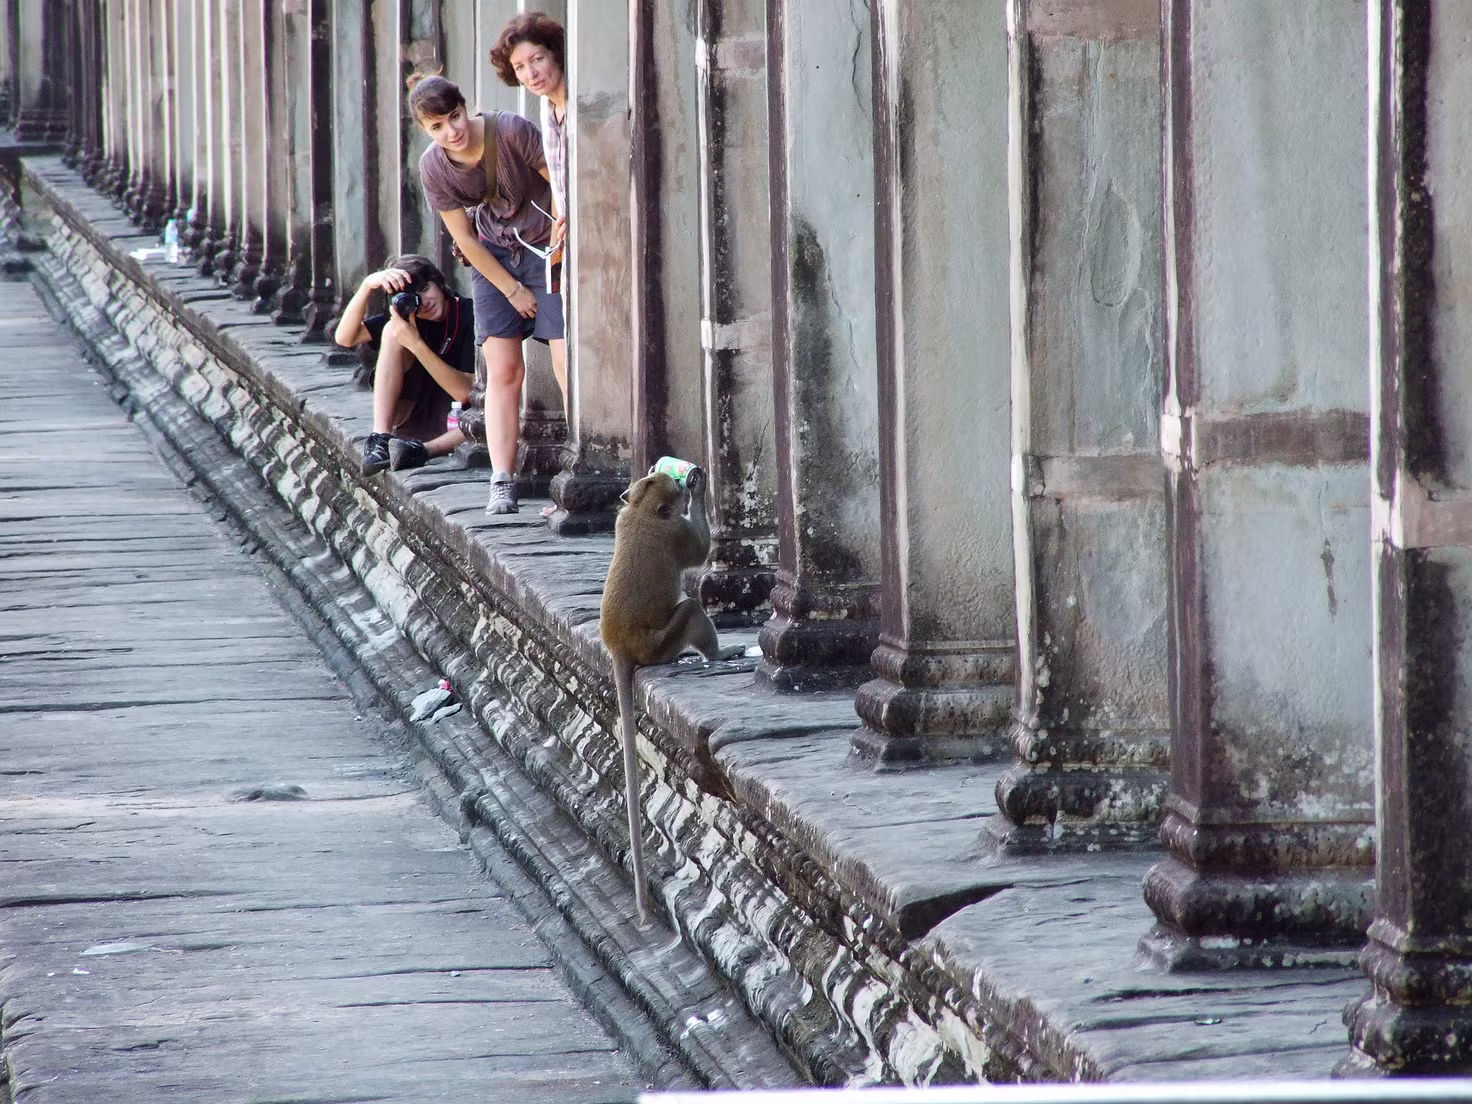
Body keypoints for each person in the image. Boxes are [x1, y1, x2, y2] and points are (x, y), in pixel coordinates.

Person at [411, 73, 565, 515]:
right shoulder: (433, 167)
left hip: (545, 247)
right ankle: (502, 479)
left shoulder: (510, 130)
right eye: (437, 127)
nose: (451, 132)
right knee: (502, 370)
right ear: (426, 130)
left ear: (466, 107)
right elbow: (466, 237)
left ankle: (581, 462)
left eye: (454, 117)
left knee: (563, 356)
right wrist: (512, 289)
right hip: (494, 258)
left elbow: (558, 181)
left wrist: (558, 236)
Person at [334, 255, 476, 475]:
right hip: (414, 416)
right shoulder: (408, 317)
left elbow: (464, 393)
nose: (424, 302)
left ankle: (420, 452)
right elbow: (344, 338)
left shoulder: (469, 314)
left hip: (456, 423)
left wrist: (416, 343)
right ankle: (381, 437)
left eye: (426, 288)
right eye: (413, 297)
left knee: (488, 413)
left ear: (439, 283)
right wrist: (367, 285)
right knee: (392, 330)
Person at [490, 13, 568, 265]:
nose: (531, 73)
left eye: (537, 59)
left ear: (555, 54)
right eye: (519, 67)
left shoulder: (580, 101)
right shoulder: (547, 106)